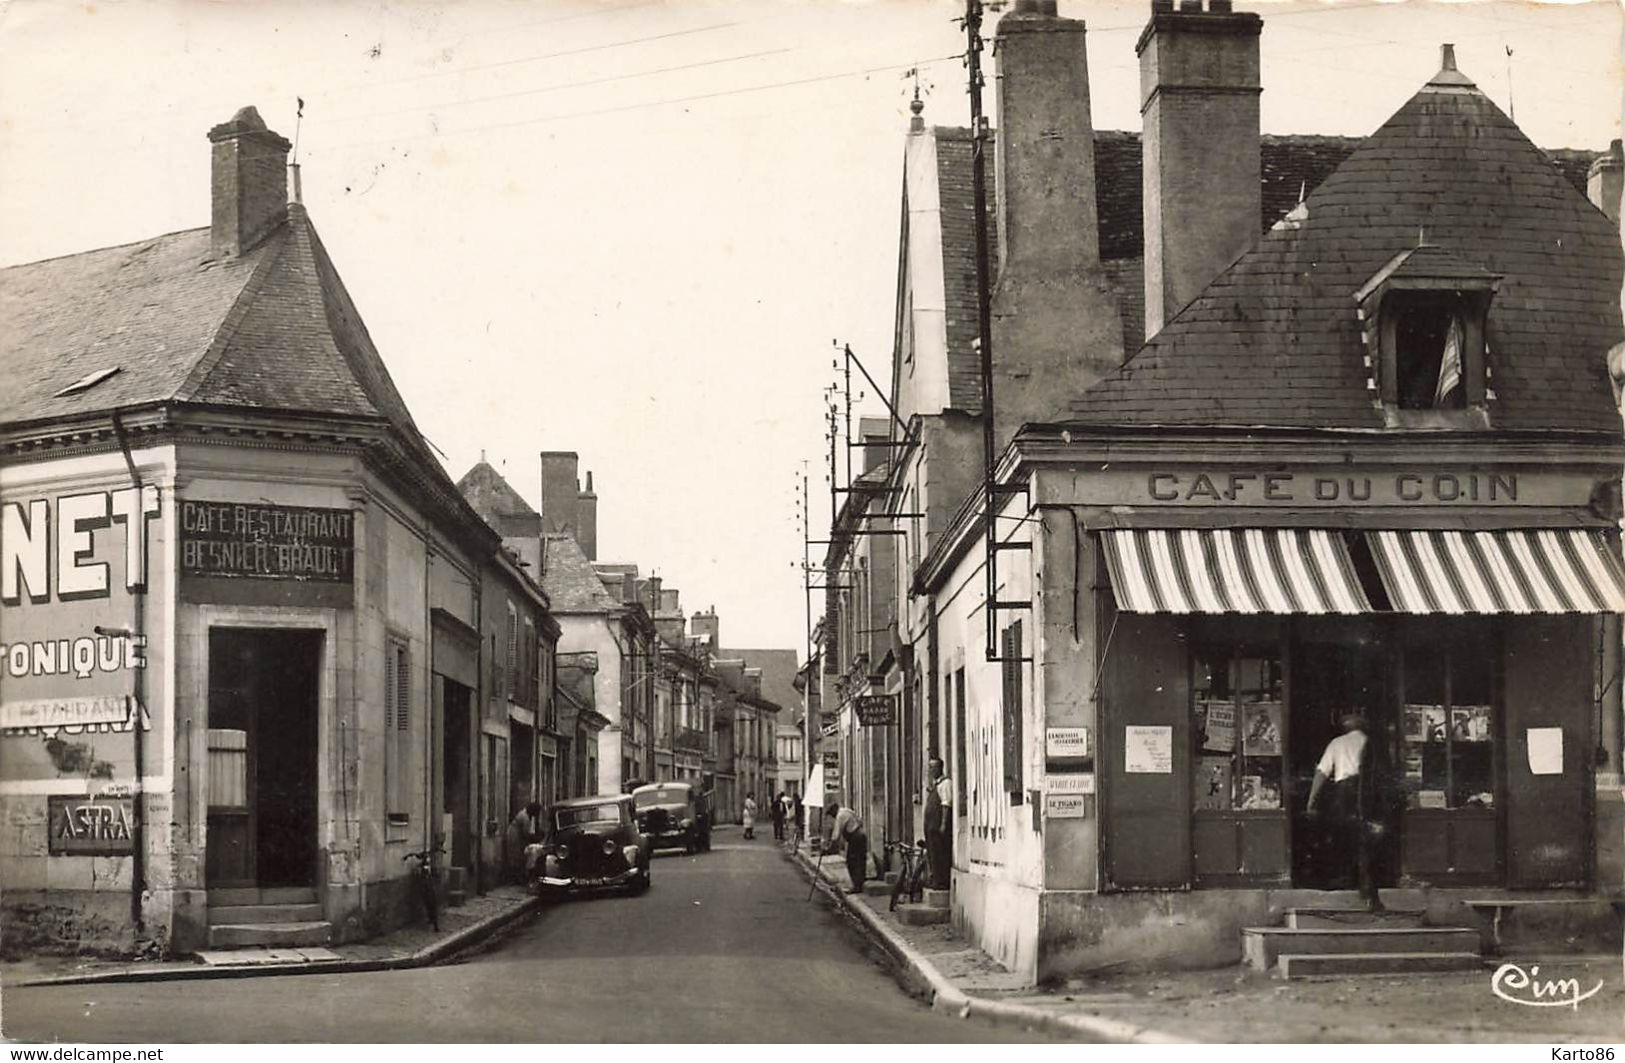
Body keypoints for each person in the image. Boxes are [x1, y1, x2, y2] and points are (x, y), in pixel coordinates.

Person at [1306, 712, 1384, 912]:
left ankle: (1345, 881)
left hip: (1343, 793)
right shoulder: (1371, 743)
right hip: (1366, 792)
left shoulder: (1337, 743)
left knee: (1342, 834)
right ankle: (1366, 887)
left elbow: (1322, 772)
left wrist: (1311, 801)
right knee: (1366, 839)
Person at [824, 799, 869, 895]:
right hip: (861, 835)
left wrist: (828, 849)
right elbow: (859, 820)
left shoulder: (840, 816)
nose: (832, 816)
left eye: (831, 814)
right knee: (860, 860)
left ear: (834, 810)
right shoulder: (846, 810)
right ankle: (860, 882)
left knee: (852, 861)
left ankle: (857, 886)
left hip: (856, 837)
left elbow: (836, 836)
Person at [923, 757, 953, 890]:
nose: (930, 770)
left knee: (940, 853)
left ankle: (941, 881)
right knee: (932, 853)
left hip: (937, 825)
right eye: (929, 767)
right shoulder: (935, 784)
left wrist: (943, 824)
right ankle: (935, 879)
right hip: (930, 826)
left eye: (933, 768)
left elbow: (946, 804)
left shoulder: (945, 784)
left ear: (939, 768)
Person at [506, 800, 542, 884]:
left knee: (517, 856)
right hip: (514, 835)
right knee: (516, 856)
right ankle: (515, 878)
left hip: (516, 833)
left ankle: (517, 877)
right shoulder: (525, 817)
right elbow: (526, 833)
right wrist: (534, 839)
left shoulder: (524, 814)